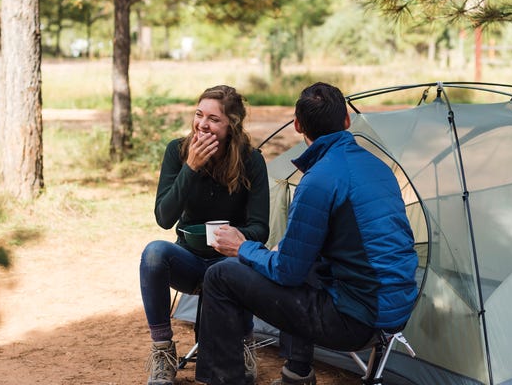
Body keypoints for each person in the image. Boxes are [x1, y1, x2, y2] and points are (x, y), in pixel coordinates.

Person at [194, 82, 419, 385]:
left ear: (298, 126)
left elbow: (287, 273)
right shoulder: (379, 167)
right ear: (347, 121)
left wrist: (242, 247)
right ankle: (296, 375)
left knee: (221, 276)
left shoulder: (319, 180)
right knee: (305, 264)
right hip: (397, 308)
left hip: (356, 321)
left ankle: (225, 380)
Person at [139, 85, 270, 385]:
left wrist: (235, 236)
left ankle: (243, 342)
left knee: (239, 264)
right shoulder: (177, 151)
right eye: (199, 115)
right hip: (190, 259)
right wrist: (191, 168)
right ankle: (163, 351)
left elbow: (261, 229)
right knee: (154, 253)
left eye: (214, 119)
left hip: (230, 263)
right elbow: (164, 217)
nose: (202, 124)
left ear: (231, 125)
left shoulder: (252, 160)